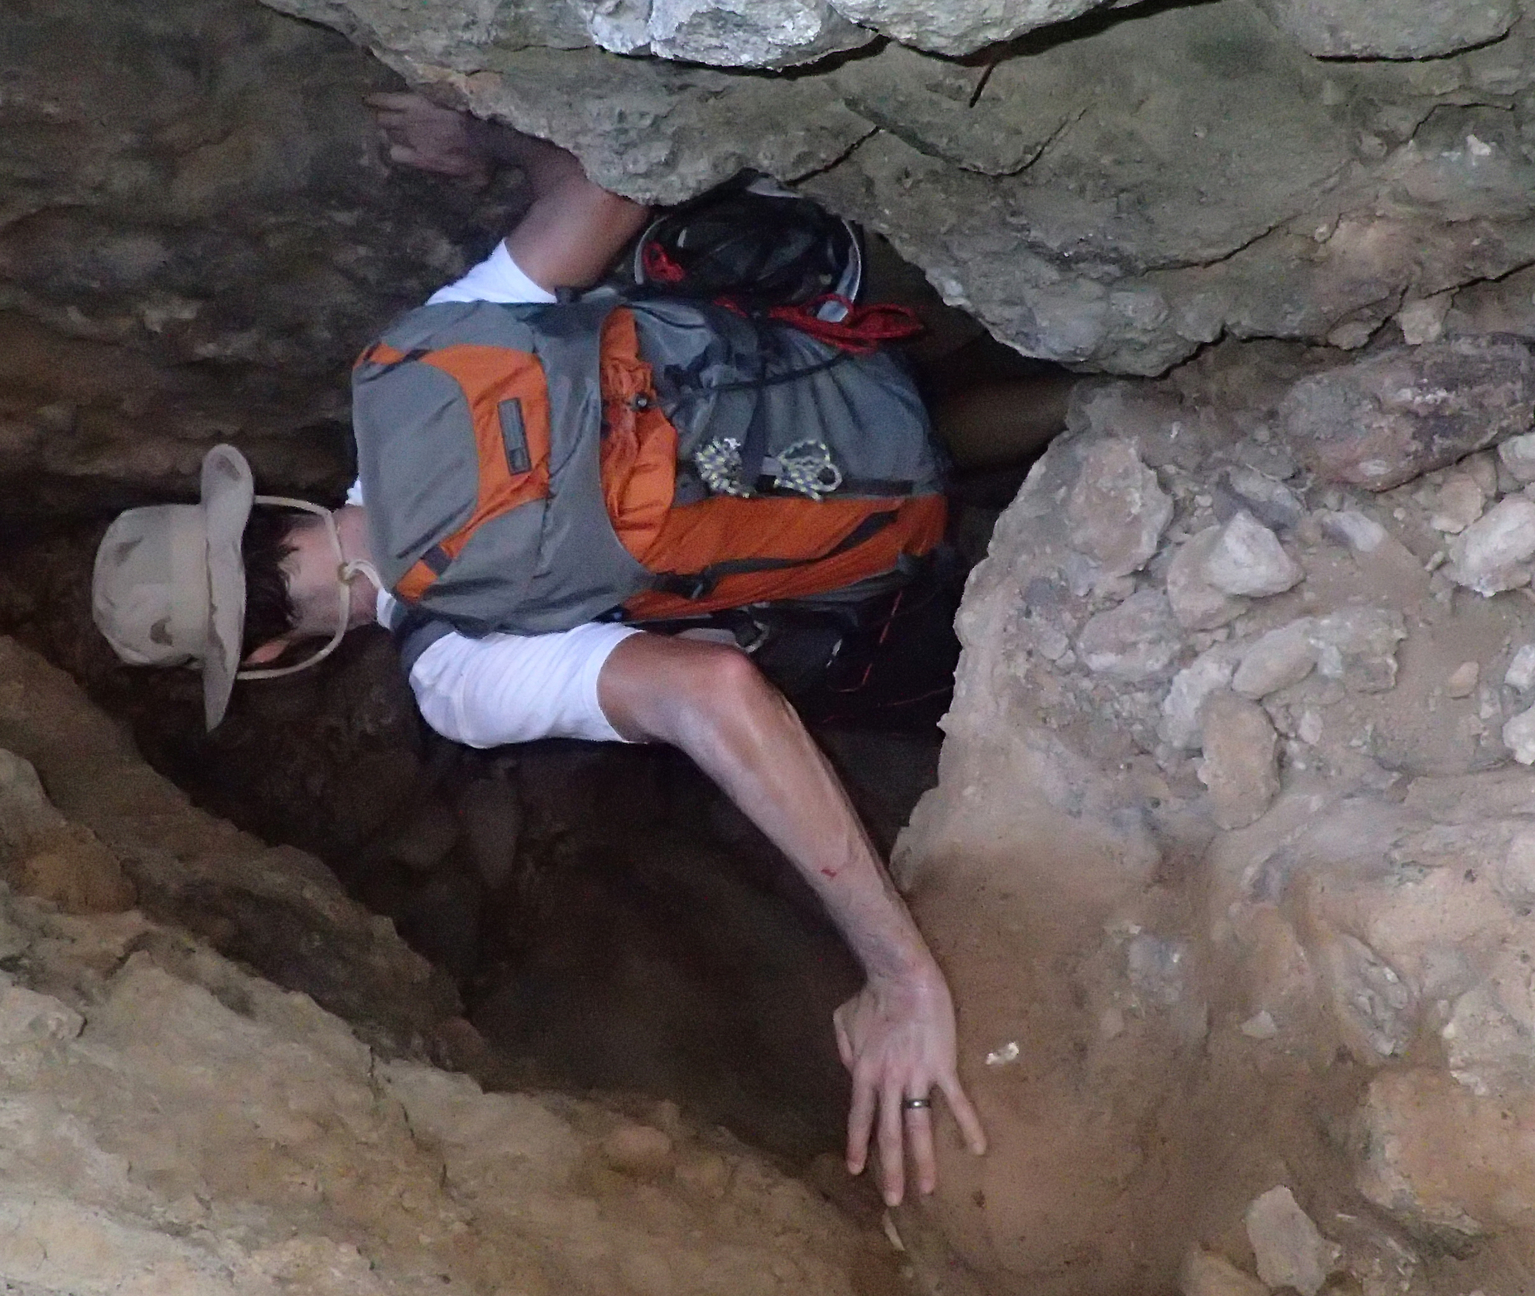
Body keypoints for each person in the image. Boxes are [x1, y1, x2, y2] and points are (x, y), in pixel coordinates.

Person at [94, 93, 986, 1206]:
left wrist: (899, 975)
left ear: (272, 659)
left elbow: (713, 690)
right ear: (267, 502)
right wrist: (483, 148)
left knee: (874, 652)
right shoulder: (411, 368)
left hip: (877, 576)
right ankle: (1028, 414)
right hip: (848, 364)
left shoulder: (454, 679)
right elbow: (616, 182)